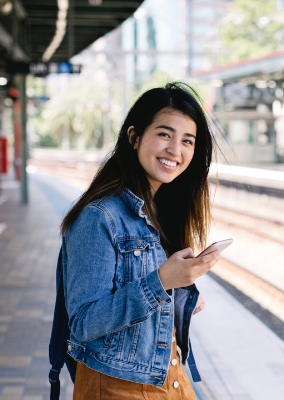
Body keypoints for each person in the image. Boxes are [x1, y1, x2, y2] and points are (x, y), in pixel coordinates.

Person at [54, 82, 220, 399]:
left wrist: (182, 292)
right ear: (134, 137)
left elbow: (144, 297)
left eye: (188, 141)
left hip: (170, 378)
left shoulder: (162, 209)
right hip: (117, 386)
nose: (176, 149)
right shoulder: (100, 217)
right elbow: (83, 323)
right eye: (164, 134)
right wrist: (161, 282)